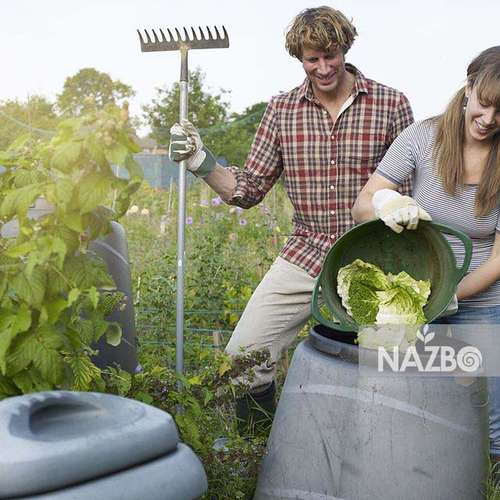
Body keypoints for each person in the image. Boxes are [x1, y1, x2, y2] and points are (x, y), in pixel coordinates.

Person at [169, 6, 414, 432]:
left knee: (384, 375)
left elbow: (410, 191)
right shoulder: (282, 110)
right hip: (308, 250)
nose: (322, 68)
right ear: (299, 58)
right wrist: (201, 160)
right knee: (244, 357)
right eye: (311, 59)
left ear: (345, 47)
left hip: (374, 255)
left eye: (330, 55)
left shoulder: (390, 104)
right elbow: (246, 190)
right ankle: (260, 454)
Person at [352, 47, 500, 462]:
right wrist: (386, 204)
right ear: (469, 88)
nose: (489, 121)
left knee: (490, 413)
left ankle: (485, 478)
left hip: (480, 300)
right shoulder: (422, 137)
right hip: (412, 294)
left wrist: (450, 296)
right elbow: (362, 204)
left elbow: (498, 257)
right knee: (397, 393)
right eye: (485, 105)